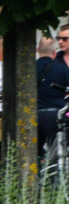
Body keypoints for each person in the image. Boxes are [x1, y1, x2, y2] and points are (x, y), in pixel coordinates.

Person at [38, 27, 69, 156]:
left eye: (65, 39)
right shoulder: (57, 64)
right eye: (59, 38)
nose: (60, 42)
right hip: (59, 113)